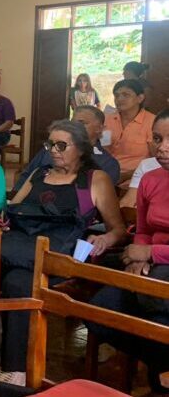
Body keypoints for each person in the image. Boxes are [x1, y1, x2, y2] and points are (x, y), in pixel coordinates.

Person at [0, 119, 127, 383]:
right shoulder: (39, 174)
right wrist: (4, 220)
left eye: (60, 145)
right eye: (50, 144)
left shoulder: (95, 180)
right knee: (15, 280)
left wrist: (103, 239)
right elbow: (13, 208)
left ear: (80, 148)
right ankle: (13, 367)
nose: (53, 150)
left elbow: (118, 229)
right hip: (23, 249)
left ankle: (7, 363)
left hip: (61, 255)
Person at [87, 108, 169, 395]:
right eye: (158, 138)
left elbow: (150, 248)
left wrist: (150, 255)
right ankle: (160, 368)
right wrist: (138, 256)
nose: (163, 147)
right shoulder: (151, 178)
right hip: (150, 266)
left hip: (160, 264)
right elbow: (144, 229)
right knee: (99, 312)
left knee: (154, 307)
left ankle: (158, 378)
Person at [12, 106, 120, 193]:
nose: (75, 127)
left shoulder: (108, 164)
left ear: (99, 128)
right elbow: (26, 176)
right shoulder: (50, 150)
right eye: (73, 123)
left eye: (82, 123)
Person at [104, 79, 155, 184]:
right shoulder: (107, 120)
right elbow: (103, 149)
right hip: (107, 175)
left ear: (140, 98)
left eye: (125, 95)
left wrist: (126, 176)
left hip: (138, 177)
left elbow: (157, 160)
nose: (119, 99)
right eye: (116, 95)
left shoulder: (152, 122)